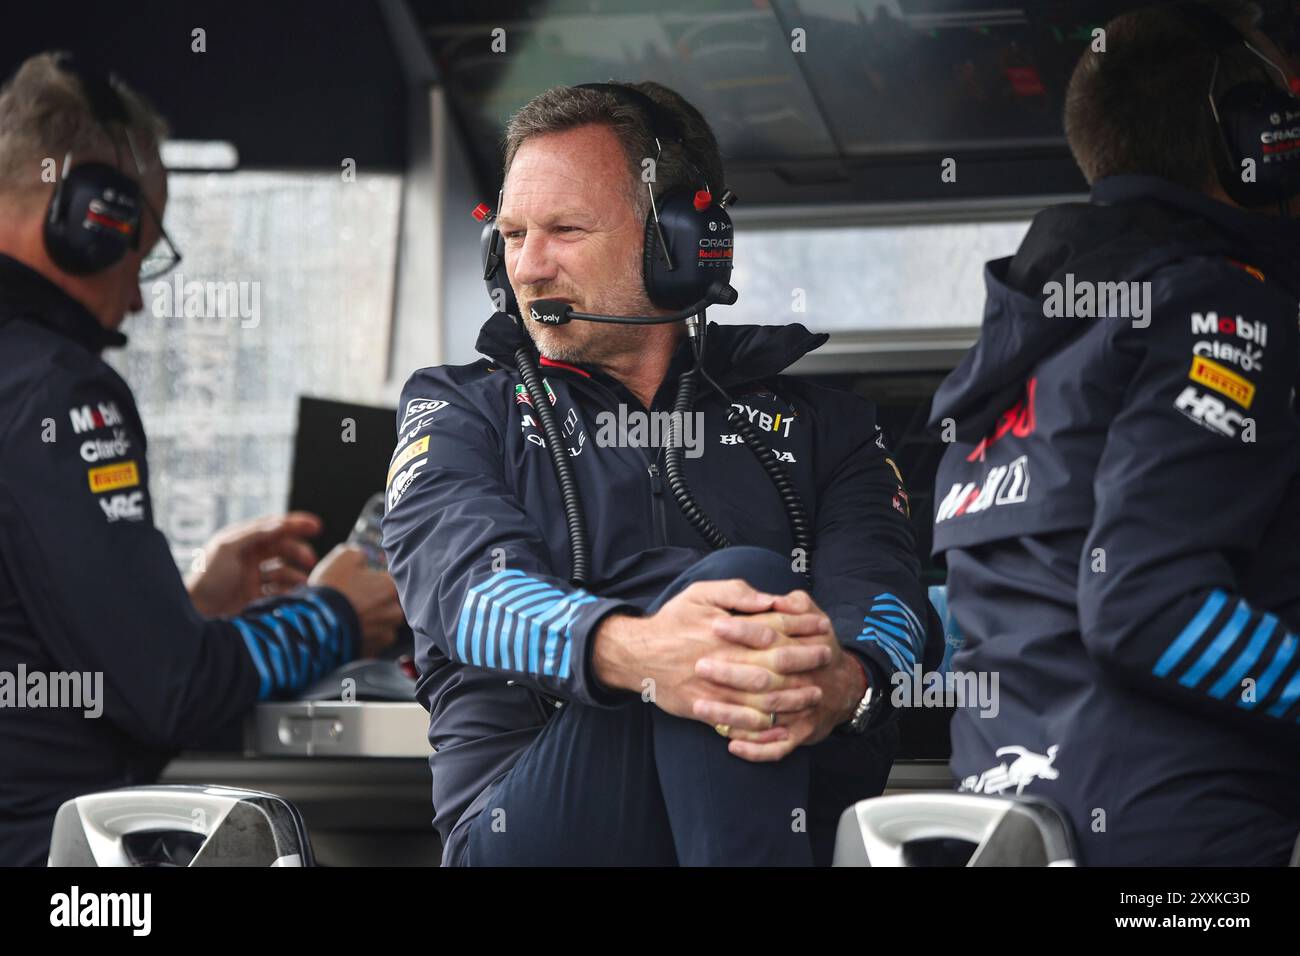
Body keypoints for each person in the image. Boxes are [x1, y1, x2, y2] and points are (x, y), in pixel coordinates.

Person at [382, 80, 939, 866]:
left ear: (678, 241)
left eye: (565, 229)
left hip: (793, 811)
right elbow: (463, 588)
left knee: (739, 616)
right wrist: (640, 654)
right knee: (740, 599)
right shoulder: (462, 410)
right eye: (510, 234)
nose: (528, 267)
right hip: (529, 824)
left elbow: (889, 598)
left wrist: (847, 680)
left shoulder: (829, 427)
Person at [0, 53, 404, 866]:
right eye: (142, 253)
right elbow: (168, 693)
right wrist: (336, 613)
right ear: (92, 216)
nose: (141, 298)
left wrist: (180, 605)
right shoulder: (57, 391)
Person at [929, 1, 1300, 865]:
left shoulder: (1013, 354)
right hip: (1192, 845)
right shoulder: (1218, 306)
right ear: (1259, 146)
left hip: (1004, 829)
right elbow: (1146, 607)